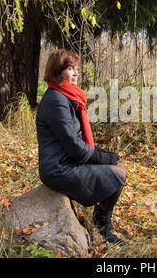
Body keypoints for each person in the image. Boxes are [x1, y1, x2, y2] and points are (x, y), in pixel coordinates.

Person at [36, 48, 128, 245]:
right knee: (118, 174)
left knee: (115, 170)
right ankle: (102, 227)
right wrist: (102, 157)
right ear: (57, 72)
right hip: (59, 169)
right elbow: (73, 145)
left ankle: (103, 223)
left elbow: (76, 141)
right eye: (70, 69)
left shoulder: (67, 97)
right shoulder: (55, 100)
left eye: (76, 68)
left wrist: (100, 153)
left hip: (67, 162)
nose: (76, 73)